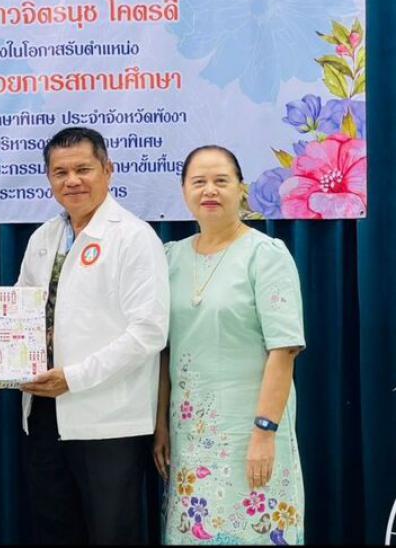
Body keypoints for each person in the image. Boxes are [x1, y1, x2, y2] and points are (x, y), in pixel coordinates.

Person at [15, 127, 170, 544]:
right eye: (60, 172)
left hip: (109, 423)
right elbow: (18, 314)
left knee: (112, 534)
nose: (72, 181)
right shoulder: (43, 238)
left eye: (83, 169)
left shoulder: (134, 237)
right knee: (53, 533)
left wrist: (74, 378)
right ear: (49, 178)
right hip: (43, 414)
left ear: (108, 170)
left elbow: (148, 332)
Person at [153, 146, 306, 545]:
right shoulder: (170, 258)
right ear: (184, 191)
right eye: (198, 182)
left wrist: (264, 432)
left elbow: (284, 350)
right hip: (190, 434)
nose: (210, 190)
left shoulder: (266, 255)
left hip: (252, 430)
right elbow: (164, 350)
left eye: (221, 181)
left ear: (241, 188)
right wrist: (160, 424)